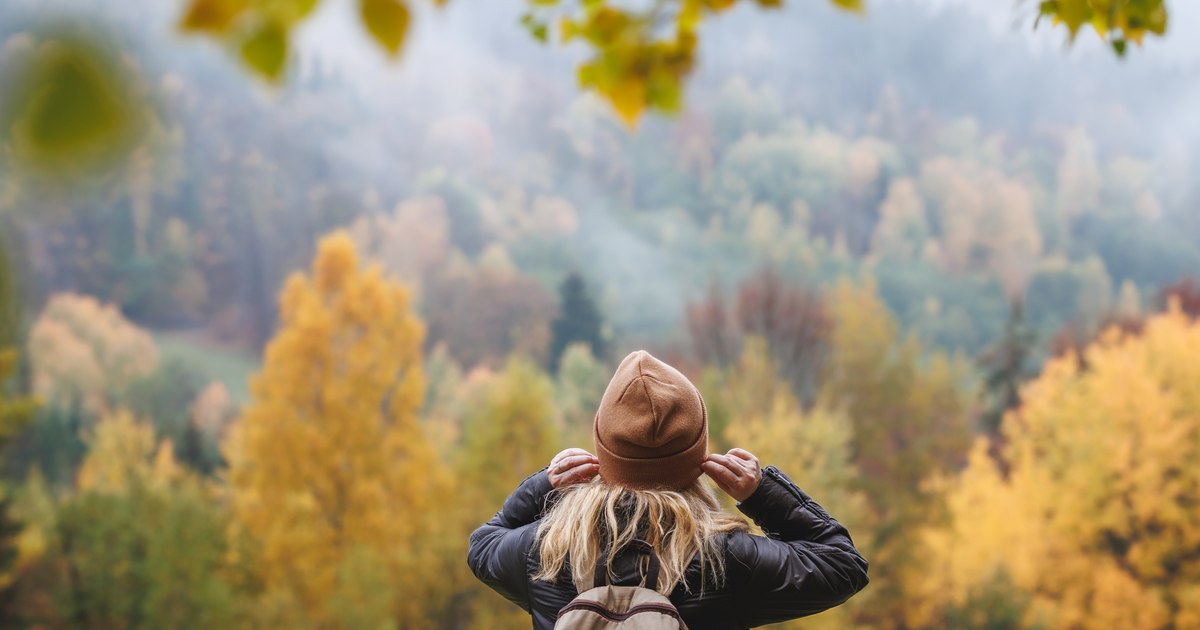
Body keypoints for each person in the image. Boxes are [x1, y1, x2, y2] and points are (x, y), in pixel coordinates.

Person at [468, 350, 869, 629]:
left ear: (603, 450)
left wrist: (544, 485)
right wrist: (762, 494)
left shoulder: (547, 551)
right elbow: (843, 566)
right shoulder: (723, 559)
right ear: (697, 457)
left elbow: (483, 545)